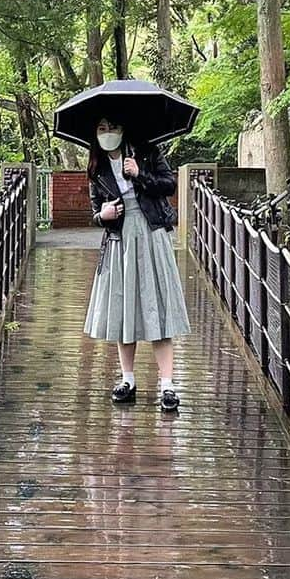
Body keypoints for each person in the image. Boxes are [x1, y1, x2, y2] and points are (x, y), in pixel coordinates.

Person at [83, 116, 190, 411]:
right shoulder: (96, 167)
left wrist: (140, 174)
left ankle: (167, 384)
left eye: (113, 127)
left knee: (158, 305)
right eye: (102, 128)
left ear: (123, 129)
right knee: (123, 308)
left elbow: (169, 185)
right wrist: (102, 216)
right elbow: (94, 214)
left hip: (151, 233)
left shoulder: (147, 151)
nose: (108, 133)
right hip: (120, 241)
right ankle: (127, 379)